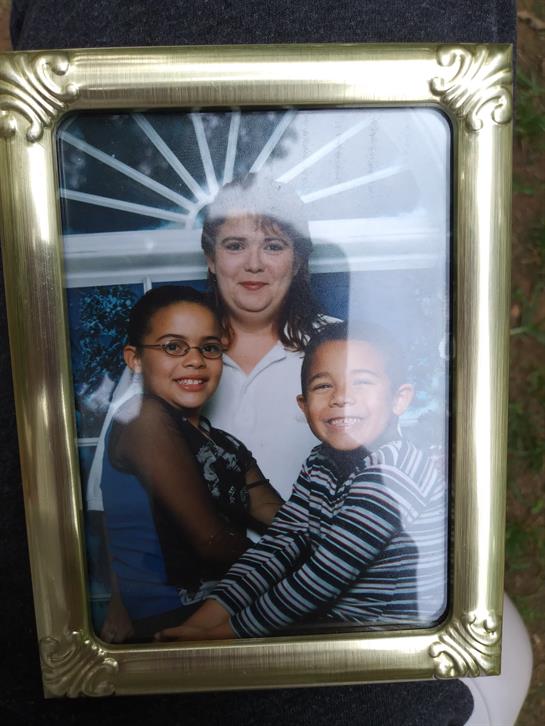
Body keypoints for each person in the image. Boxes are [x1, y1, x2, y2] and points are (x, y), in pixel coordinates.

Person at [157, 321, 447, 640]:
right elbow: (278, 545)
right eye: (323, 386)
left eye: (362, 382)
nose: (341, 397)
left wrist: (224, 634)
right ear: (304, 405)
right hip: (334, 623)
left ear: (399, 399)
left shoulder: (394, 471)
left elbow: (325, 575)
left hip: (389, 638)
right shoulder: (320, 462)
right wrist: (199, 624)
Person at [99, 285, 282, 641]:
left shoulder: (224, 444)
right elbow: (210, 542)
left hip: (227, 607)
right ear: (135, 359)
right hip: (173, 619)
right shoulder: (143, 419)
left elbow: (286, 521)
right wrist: (297, 572)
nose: (195, 360)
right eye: (173, 346)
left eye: (209, 347)